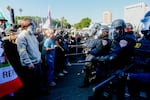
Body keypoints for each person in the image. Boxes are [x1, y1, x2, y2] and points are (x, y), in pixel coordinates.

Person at [91, 19, 136, 100]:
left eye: (117, 29)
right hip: (118, 66)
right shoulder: (119, 39)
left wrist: (98, 59)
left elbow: (113, 56)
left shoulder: (125, 39)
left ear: (122, 29)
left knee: (119, 89)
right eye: (114, 29)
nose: (115, 31)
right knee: (116, 88)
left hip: (123, 67)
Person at [16, 18, 44, 99]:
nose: (34, 26)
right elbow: (22, 52)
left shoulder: (32, 35)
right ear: (27, 26)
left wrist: (39, 57)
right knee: (31, 84)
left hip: (37, 61)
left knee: (38, 80)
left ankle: (39, 93)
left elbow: (36, 48)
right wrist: (29, 63)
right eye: (32, 25)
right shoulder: (21, 36)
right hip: (30, 64)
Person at [126, 10, 150, 100]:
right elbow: (135, 58)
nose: (145, 28)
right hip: (139, 79)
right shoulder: (141, 42)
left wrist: (131, 75)